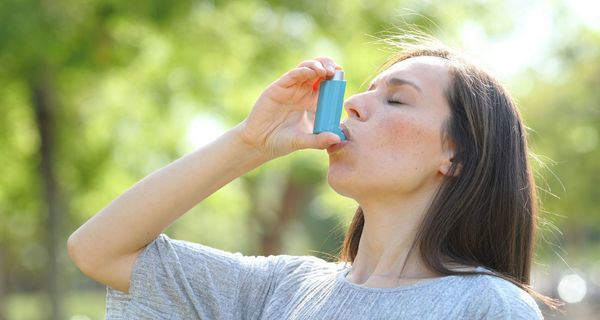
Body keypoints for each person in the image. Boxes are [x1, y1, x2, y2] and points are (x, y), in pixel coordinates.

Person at [68, 39, 552, 319]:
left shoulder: (487, 307)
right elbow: (99, 249)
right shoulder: (282, 288)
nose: (354, 104)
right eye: (363, 92)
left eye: (397, 100)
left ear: (457, 155)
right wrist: (249, 142)